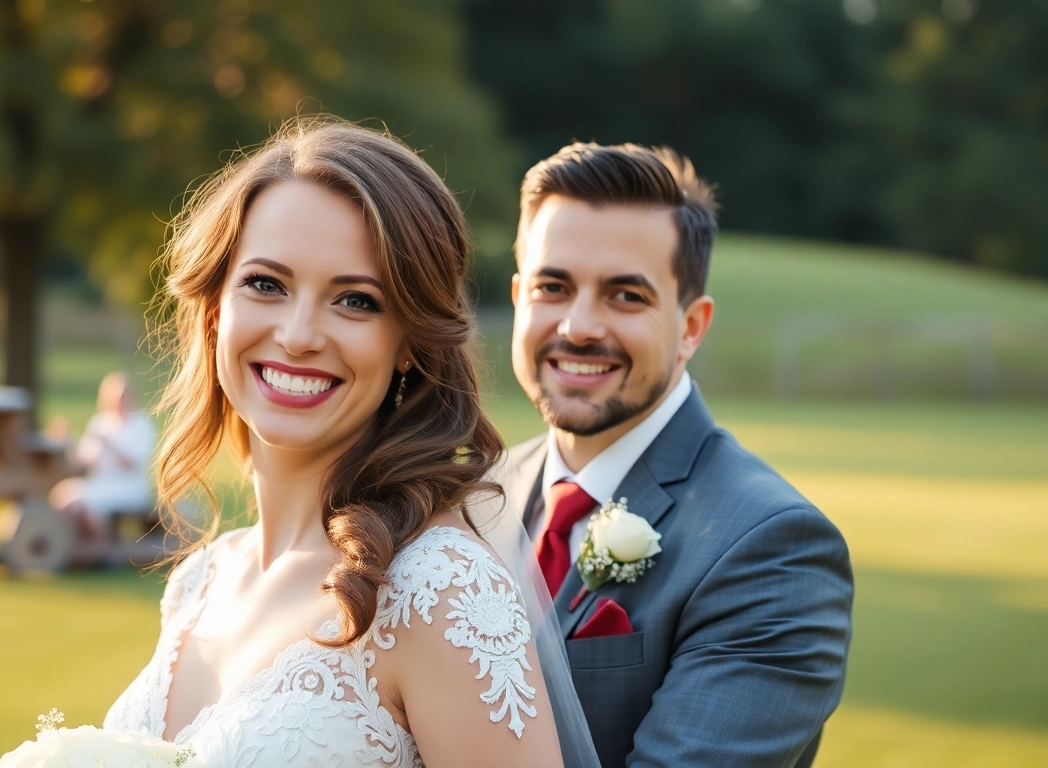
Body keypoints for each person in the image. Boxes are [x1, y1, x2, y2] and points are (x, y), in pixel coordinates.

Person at [103, 118, 579, 767]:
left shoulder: (439, 588)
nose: (299, 334)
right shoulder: (199, 581)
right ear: (216, 309)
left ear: (409, 340)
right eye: (266, 284)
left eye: (355, 300)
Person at [493, 141, 854, 767]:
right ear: (521, 295)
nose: (578, 326)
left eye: (625, 296)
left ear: (691, 327)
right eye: (554, 286)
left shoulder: (774, 550)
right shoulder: (473, 497)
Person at [49, 371, 157, 562]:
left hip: (128, 486)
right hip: (100, 483)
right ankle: (73, 547)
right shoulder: (100, 423)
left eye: (123, 397)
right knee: (63, 496)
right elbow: (83, 461)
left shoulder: (142, 424)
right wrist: (64, 442)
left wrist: (109, 443)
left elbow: (132, 464)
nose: (119, 402)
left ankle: (105, 553)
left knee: (88, 506)